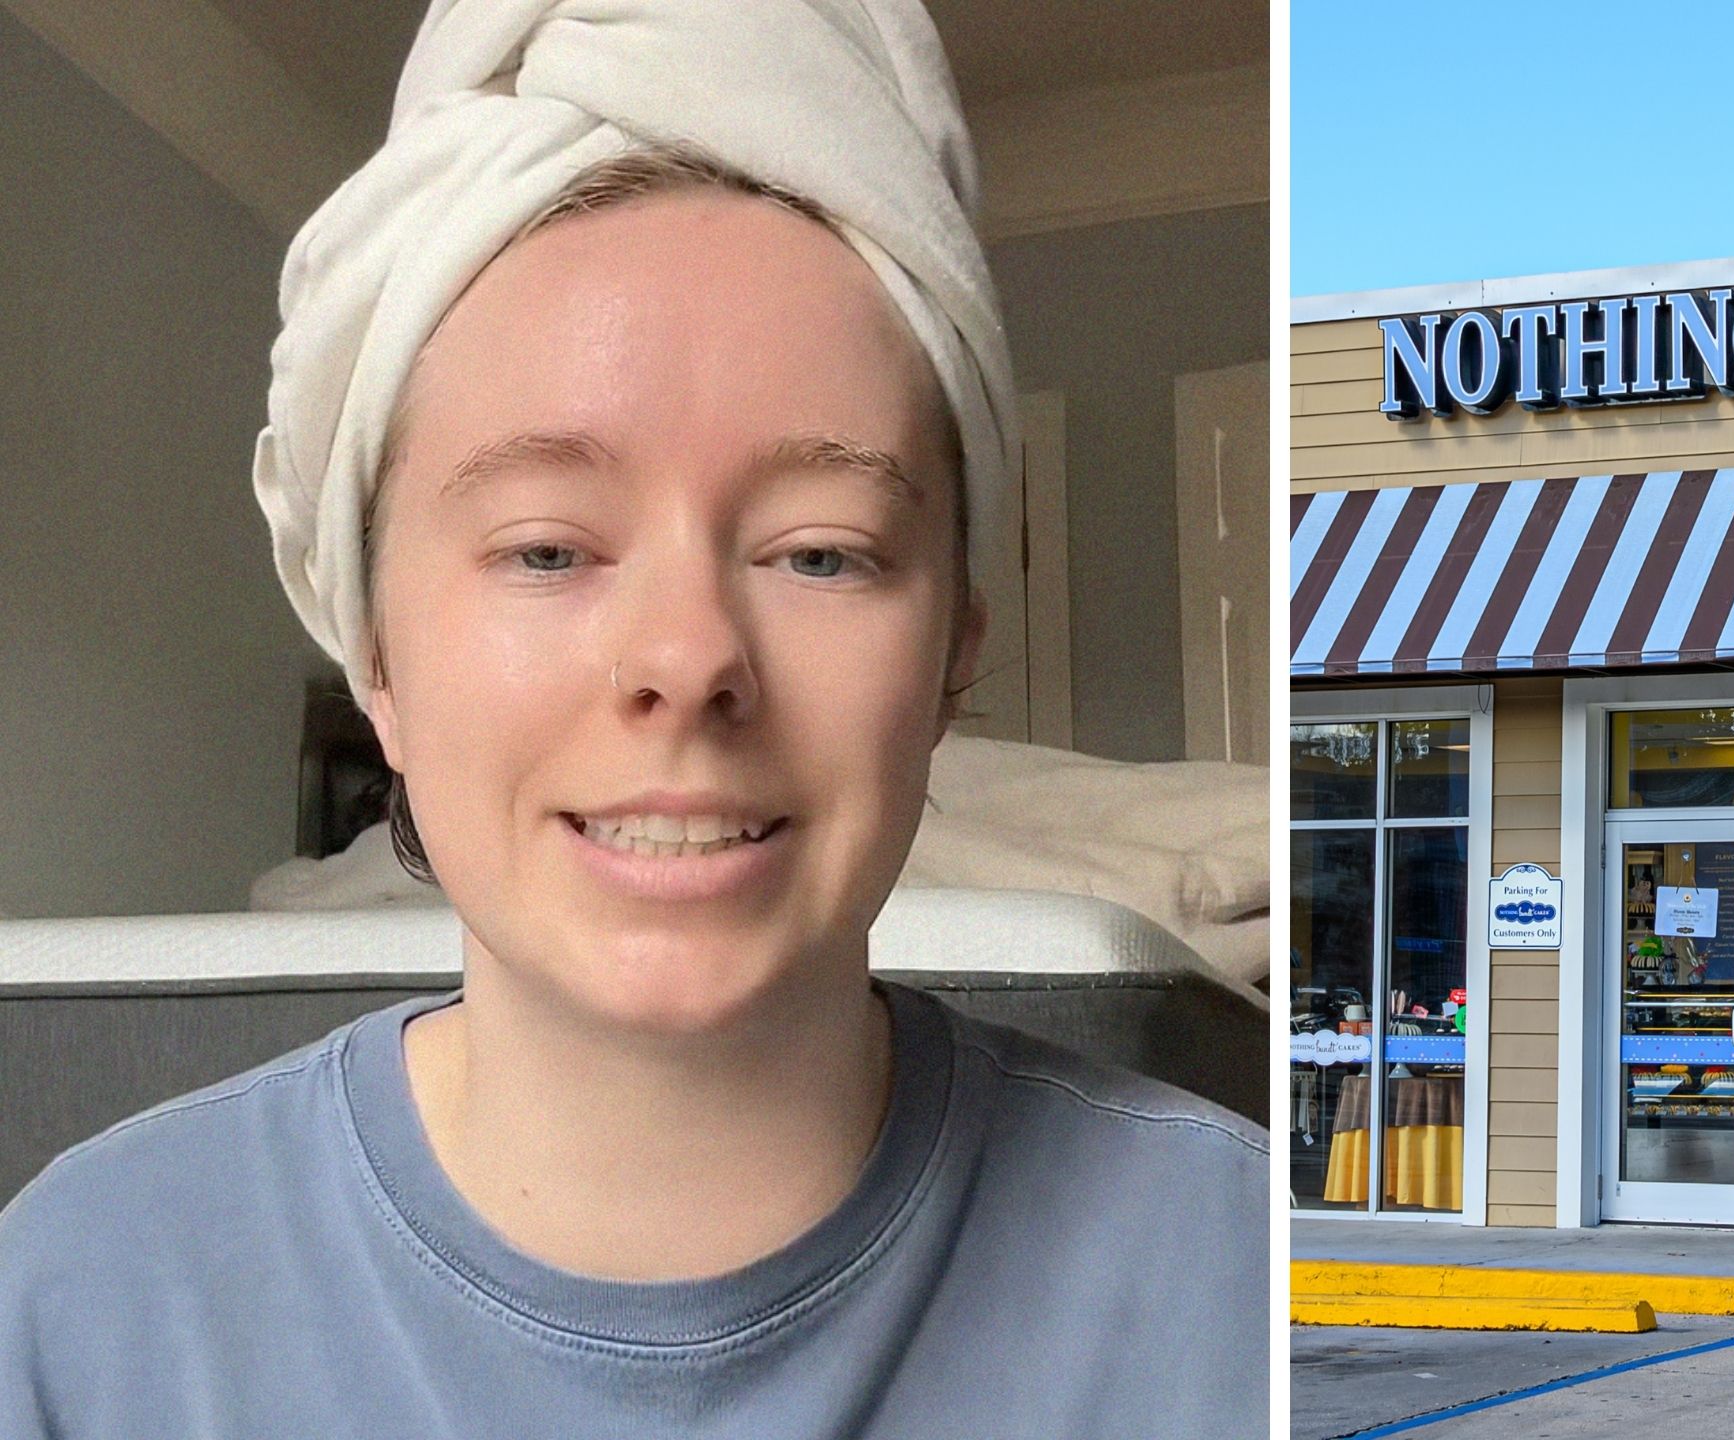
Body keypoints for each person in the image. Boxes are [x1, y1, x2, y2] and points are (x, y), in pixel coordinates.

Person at [0, 3, 1268, 1436]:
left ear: (951, 659)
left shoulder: (1235, 1288)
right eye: (548, 549)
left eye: (820, 553)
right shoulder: (81, 1315)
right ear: (376, 655)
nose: (688, 657)